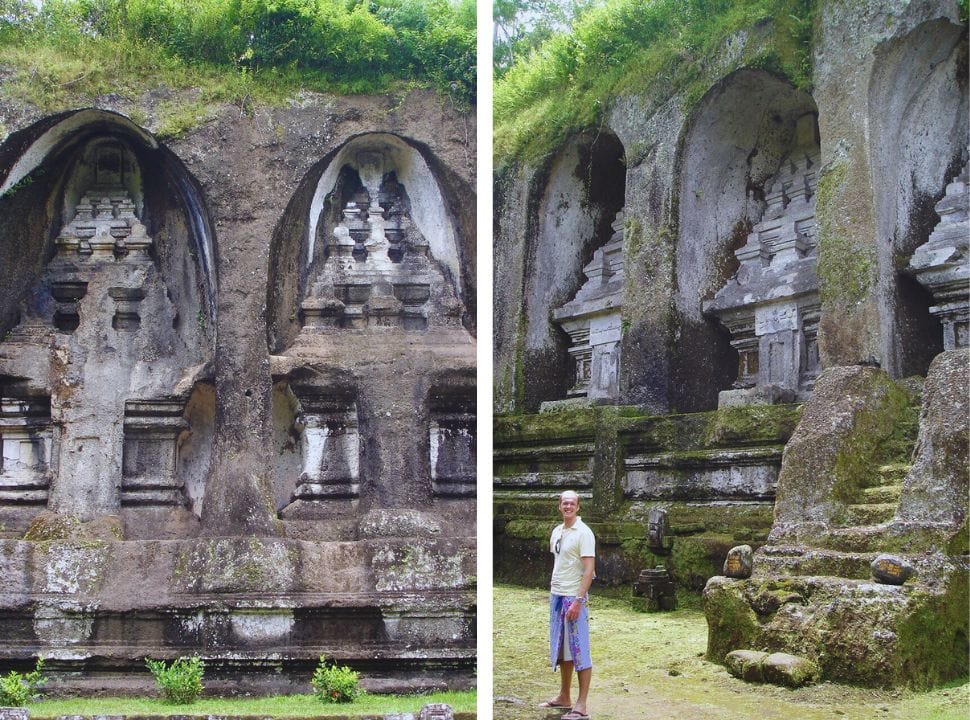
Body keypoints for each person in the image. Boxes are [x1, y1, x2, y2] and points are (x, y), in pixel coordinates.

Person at [539, 489, 595, 720]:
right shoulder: (557, 532)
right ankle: (564, 695)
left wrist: (579, 601)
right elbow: (560, 562)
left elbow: (589, 570)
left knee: (579, 648)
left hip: (574, 597)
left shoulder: (584, 533)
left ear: (578, 507)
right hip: (558, 595)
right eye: (565, 503)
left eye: (572, 503)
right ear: (559, 506)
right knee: (562, 648)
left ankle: (581, 705)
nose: (568, 506)